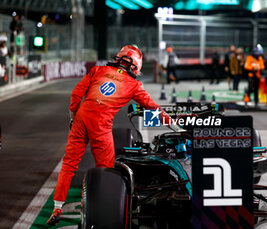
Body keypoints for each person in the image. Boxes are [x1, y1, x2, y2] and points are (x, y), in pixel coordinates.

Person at [47, 45, 178, 226]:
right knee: (106, 169)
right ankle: (101, 204)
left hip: (82, 118)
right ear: (135, 67)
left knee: (69, 163)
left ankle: (57, 206)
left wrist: (73, 116)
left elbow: (76, 94)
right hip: (101, 124)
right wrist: (172, 124)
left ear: (119, 58)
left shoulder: (98, 70)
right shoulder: (133, 85)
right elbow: (152, 108)